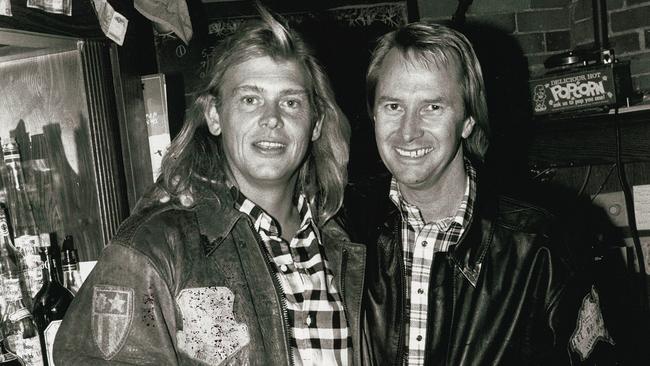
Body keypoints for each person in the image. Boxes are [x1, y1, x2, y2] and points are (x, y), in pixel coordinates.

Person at [53, 6, 365, 366]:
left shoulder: (352, 242)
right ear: (215, 116)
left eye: (291, 101)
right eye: (250, 99)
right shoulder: (155, 246)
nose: (272, 119)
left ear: (315, 124)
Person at [357, 22, 615, 365]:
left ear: (467, 120)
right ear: (373, 114)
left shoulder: (544, 249)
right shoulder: (344, 228)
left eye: (432, 107)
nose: (408, 131)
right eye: (393, 106)